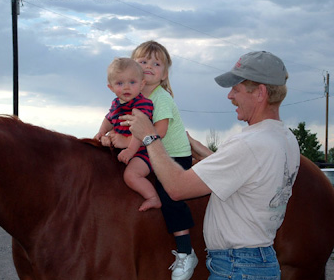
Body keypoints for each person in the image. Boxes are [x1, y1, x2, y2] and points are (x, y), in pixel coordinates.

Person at [121, 51, 300, 279]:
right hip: (259, 261)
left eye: (237, 88)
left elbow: (177, 189)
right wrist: (208, 155)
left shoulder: (249, 144)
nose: (230, 96)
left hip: (236, 268)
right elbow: (249, 177)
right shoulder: (284, 138)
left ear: (260, 93)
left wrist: (149, 136)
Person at [109, 41, 198, 280]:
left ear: (165, 73)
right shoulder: (128, 97)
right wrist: (107, 135)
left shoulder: (161, 99)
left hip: (174, 155)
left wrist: (126, 142)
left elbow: (159, 131)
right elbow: (115, 121)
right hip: (148, 151)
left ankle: (186, 252)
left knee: (171, 195)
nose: (149, 66)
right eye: (143, 62)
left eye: (156, 63)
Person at [94, 57, 161, 212]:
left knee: (131, 175)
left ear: (142, 84)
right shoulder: (115, 103)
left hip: (144, 152)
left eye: (132, 82)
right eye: (120, 83)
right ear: (110, 87)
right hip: (124, 148)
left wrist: (130, 150)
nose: (126, 88)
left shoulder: (142, 104)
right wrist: (101, 132)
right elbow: (108, 118)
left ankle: (153, 197)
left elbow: (140, 130)